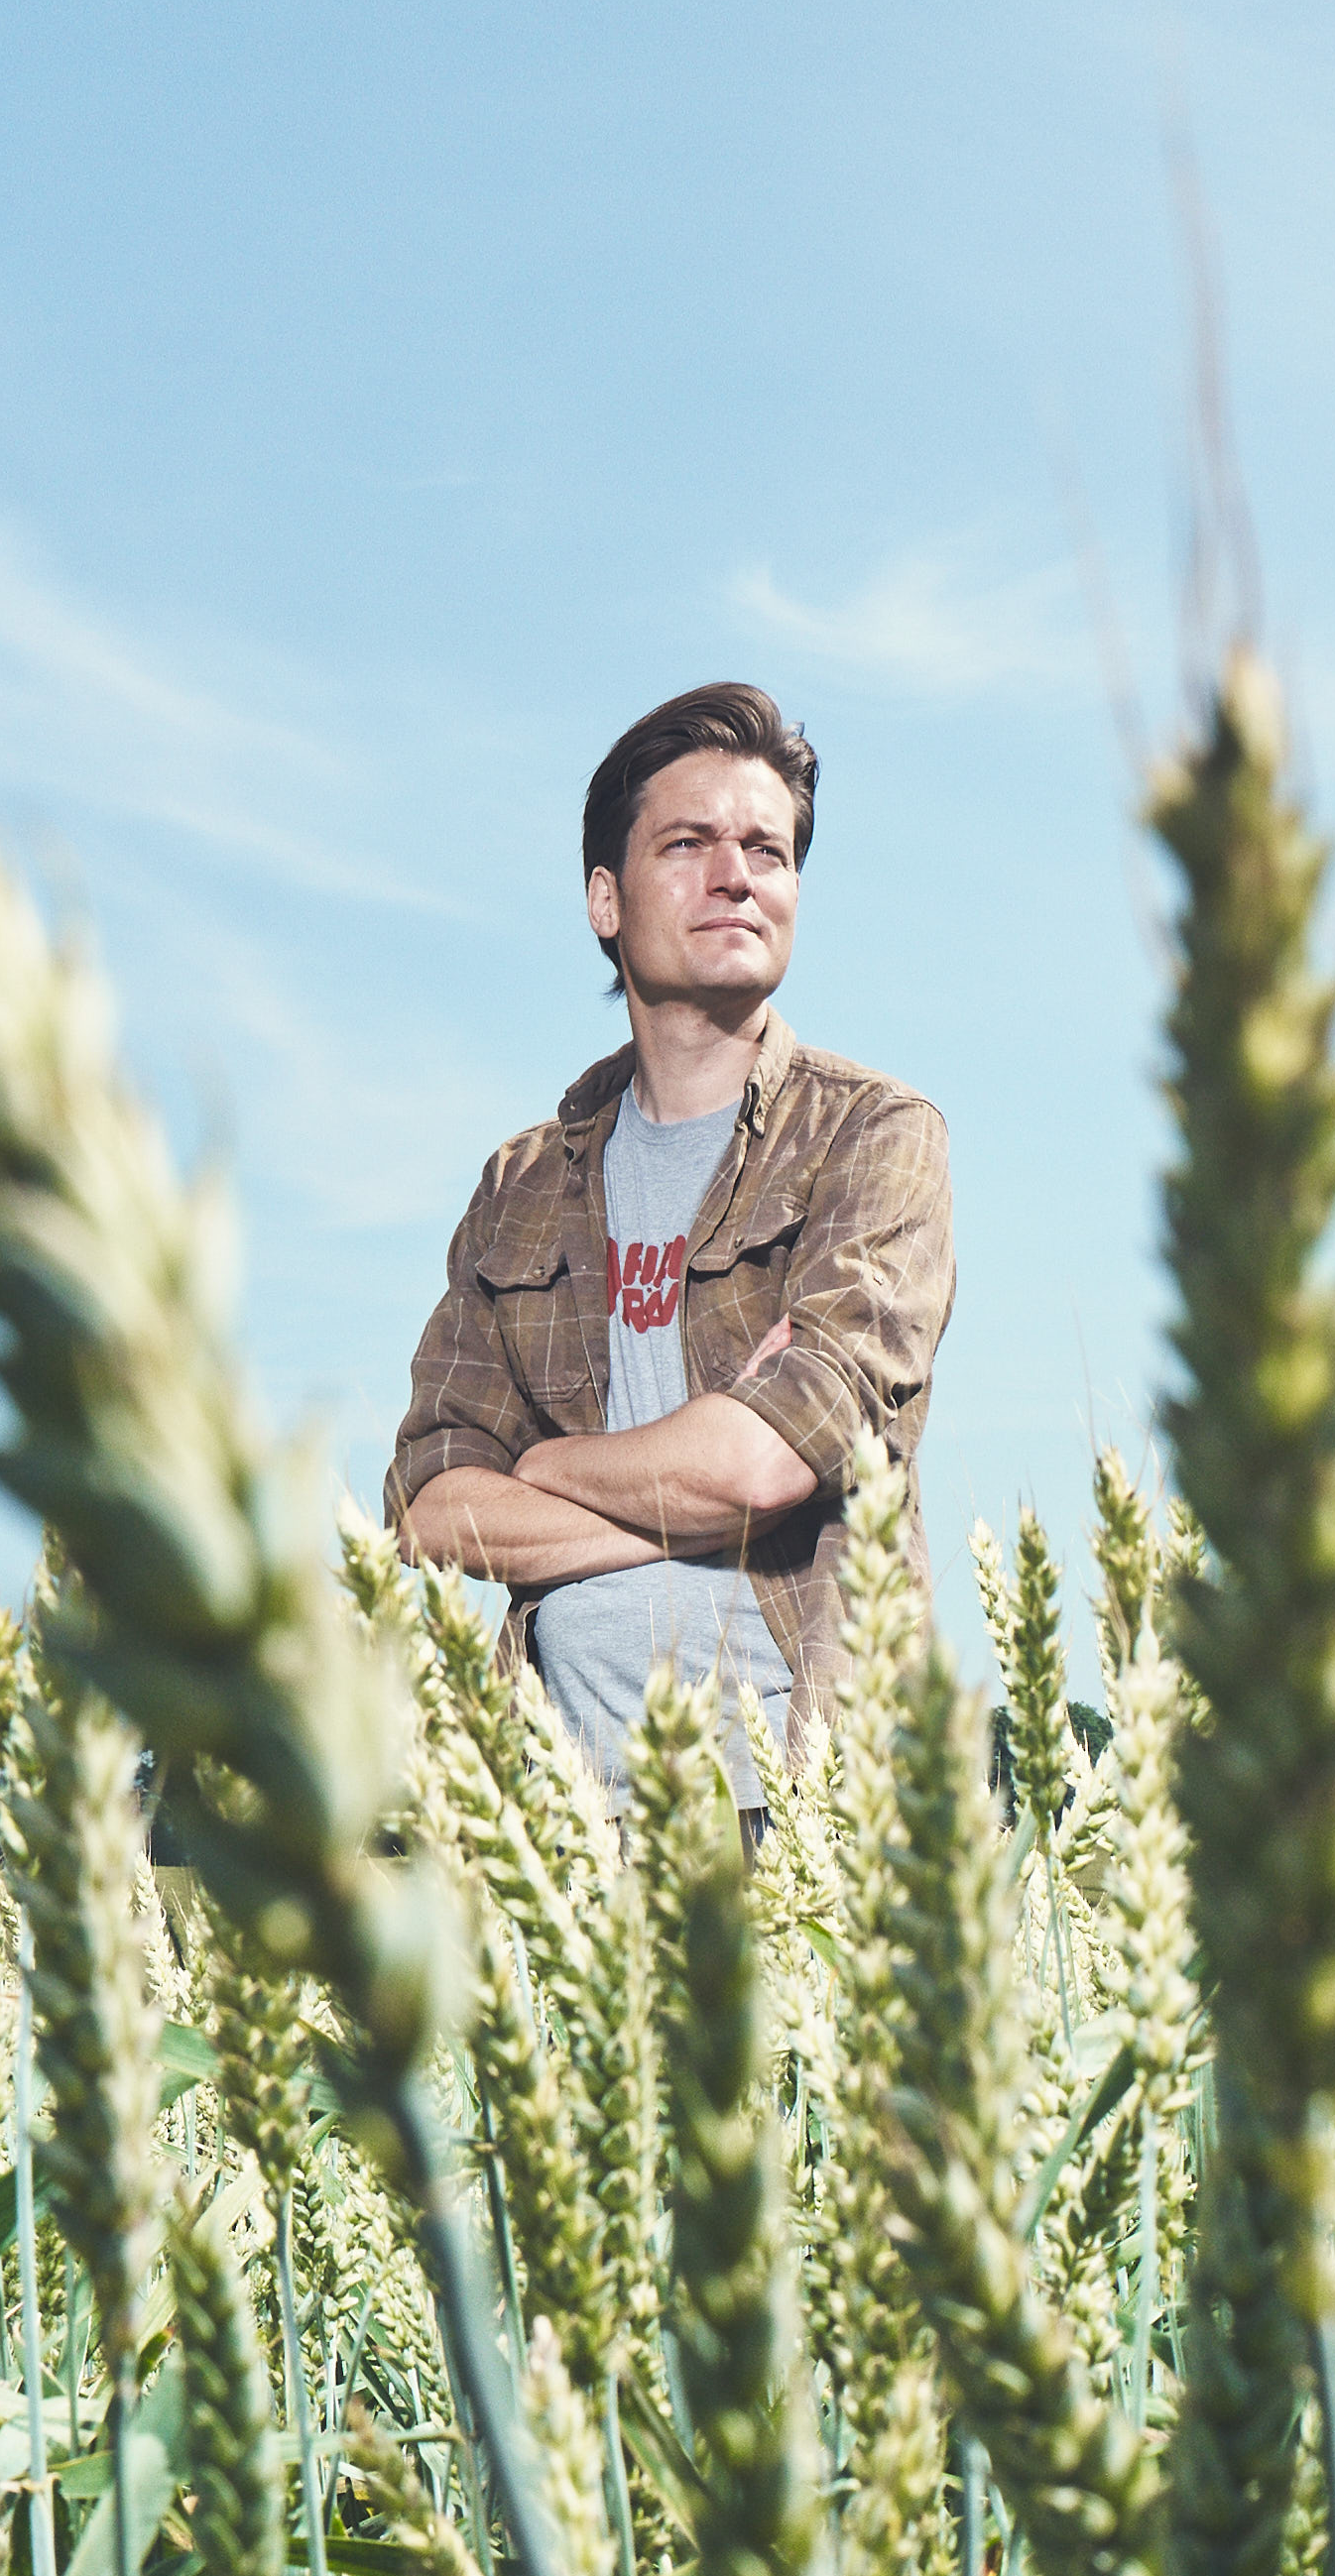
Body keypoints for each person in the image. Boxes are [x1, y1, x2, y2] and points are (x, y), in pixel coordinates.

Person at [385, 681, 952, 1802]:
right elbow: (432, 1506)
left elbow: (761, 1463)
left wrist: (543, 1471)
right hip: (563, 1824)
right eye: (688, 843)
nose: (737, 874)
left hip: (799, 1815)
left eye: (768, 850)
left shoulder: (874, 1138)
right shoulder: (520, 1187)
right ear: (606, 900)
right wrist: (687, 1495)